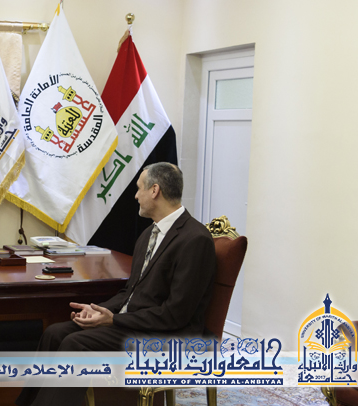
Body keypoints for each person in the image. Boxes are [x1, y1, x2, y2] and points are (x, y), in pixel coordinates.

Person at [16, 162, 217, 406]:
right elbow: (130, 292)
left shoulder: (195, 239)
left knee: (75, 344)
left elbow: (175, 314)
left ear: (154, 191)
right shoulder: (148, 234)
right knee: (54, 333)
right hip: (135, 323)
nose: (136, 196)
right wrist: (99, 310)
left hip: (167, 335)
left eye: (139, 188)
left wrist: (114, 320)